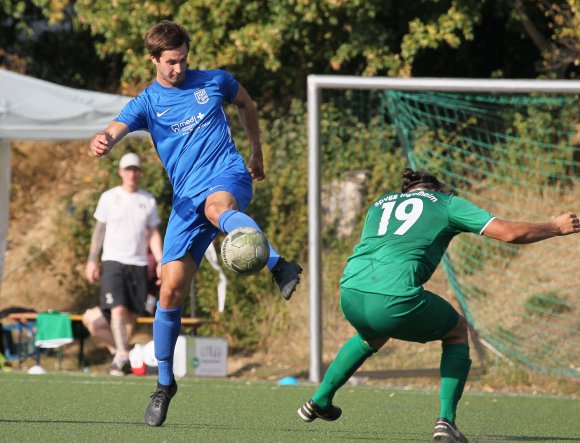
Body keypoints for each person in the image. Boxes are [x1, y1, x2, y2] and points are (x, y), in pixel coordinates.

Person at [89, 21, 302, 426]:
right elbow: (116, 128)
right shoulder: (148, 103)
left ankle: (278, 265)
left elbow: (248, 105)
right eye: (170, 62)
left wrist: (256, 152)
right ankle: (164, 384)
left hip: (227, 176)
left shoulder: (215, 82)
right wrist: (104, 139)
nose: (178, 69)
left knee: (215, 208)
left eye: (183, 60)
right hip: (185, 200)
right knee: (170, 290)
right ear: (154, 59)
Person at [297, 168, 579, 443]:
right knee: (456, 330)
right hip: (394, 296)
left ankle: (319, 401)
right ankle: (447, 422)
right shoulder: (446, 203)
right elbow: (508, 233)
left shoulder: (379, 204)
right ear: (438, 189)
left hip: (350, 291)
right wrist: (554, 227)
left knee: (371, 335)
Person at [84, 152, 163, 376]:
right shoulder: (109, 197)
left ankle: (123, 357)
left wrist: (160, 261)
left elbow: (154, 233)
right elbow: (99, 232)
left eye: (136, 169)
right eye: (128, 169)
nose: (132, 173)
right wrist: (92, 260)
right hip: (113, 262)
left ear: (140, 172)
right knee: (117, 310)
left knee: (128, 317)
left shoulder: (147, 200)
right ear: (120, 172)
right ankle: (123, 356)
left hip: (137, 265)